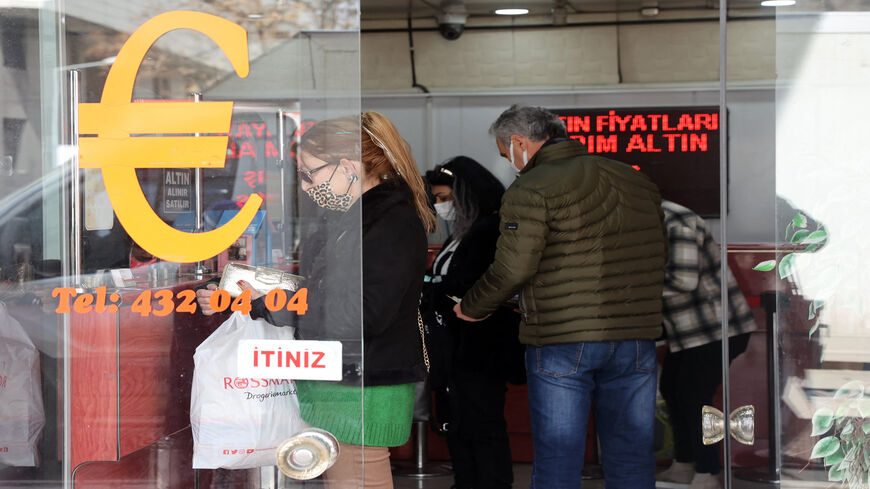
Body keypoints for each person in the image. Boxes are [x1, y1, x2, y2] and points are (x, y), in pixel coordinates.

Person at [198, 111, 435, 489]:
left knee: (357, 475)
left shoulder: (388, 222)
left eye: (310, 173)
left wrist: (271, 304)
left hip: (363, 381)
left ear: (347, 167)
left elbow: (361, 314)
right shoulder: (356, 219)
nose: (305, 187)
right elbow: (334, 296)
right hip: (348, 377)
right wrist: (256, 298)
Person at [453, 104, 668, 489]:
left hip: (562, 338)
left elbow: (514, 268)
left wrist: (471, 308)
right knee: (632, 453)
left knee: (559, 456)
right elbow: (657, 256)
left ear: (518, 141)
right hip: (635, 336)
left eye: (506, 154)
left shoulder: (532, 186)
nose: (510, 163)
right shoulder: (634, 180)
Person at [422, 157, 525, 489]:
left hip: (480, 347)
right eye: (436, 200)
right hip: (455, 346)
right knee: (459, 423)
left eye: (444, 197)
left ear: (465, 194)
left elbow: (470, 286)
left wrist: (430, 290)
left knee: (482, 424)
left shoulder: (488, 230)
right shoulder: (461, 233)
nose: (441, 206)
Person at [656, 200, 757, 489]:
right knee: (674, 389)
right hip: (690, 332)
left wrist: (631, 290)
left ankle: (708, 471)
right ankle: (685, 465)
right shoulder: (659, 219)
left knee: (692, 395)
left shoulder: (675, 221)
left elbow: (683, 281)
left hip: (715, 329)